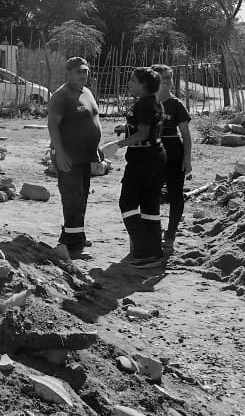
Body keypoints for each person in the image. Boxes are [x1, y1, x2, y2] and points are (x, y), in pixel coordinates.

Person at [103, 68, 166, 268]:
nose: (129, 83)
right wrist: (126, 127)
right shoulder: (153, 101)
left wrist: (118, 145)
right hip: (155, 156)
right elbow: (144, 126)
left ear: (144, 84)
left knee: (127, 203)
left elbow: (144, 132)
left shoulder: (145, 104)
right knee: (149, 206)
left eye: (133, 80)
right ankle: (154, 252)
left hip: (143, 159)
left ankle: (143, 251)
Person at [48, 57, 103, 259]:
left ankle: (75, 234)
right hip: (69, 157)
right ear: (68, 72)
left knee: (82, 197)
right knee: (72, 198)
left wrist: (97, 148)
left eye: (86, 71)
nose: (83, 75)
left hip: (85, 156)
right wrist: (59, 153)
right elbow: (53, 125)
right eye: (79, 71)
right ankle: (72, 246)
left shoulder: (86, 92)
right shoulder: (62, 96)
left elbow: (93, 120)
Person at [150, 64, 192, 249]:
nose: (166, 81)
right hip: (152, 152)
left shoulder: (176, 105)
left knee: (175, 192)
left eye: (169, 78)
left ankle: (171, 232)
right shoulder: (147, 103)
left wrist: (187, 158)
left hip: (174, 151)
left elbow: (186, 134)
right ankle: (153, 229)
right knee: (151, 192)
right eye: (162, 78)